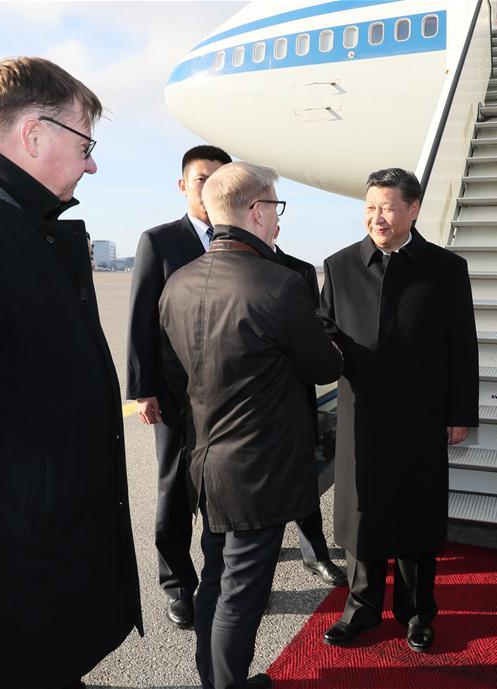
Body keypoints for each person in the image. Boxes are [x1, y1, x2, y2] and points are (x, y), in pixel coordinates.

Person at [0, 56, 141, 688]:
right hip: (3, 587)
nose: (91, 166)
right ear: (34, 135)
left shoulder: (17, 229)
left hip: (36, 566)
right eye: (85, 145)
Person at [159, 162, 343, 689]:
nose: (278, 220)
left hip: (204, 462)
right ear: (257, 212)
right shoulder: (278, 284)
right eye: (275, 207)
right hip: (259, 471)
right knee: (241, 595)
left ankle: (215, 679)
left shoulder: (178, 283)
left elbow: (175, 378)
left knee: (216, 581)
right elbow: (323, 366)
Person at [319, 168, 479, 652]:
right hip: (361, 415)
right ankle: (361, 608)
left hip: (421, 415)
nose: (377, 217)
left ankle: (416, 613)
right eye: (370, 207)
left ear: (413, 209)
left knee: (416, 514)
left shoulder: (446, 269)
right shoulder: (340, 266)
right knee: (362, 513)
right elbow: (325, 330)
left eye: (387, 207)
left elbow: (462, 346)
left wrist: (458, 413)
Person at [126, 144, 232, 628]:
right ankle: (177, 584)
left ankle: (219, 578)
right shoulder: (160, 241)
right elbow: (140, 320)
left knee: (221, 489)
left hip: (228, 396)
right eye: (201, 179)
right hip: (173, 393)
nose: (209, 189)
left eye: (219, 180)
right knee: (174, 490)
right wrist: (143, 388)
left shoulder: (241, 240)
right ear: (183, 184)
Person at [271, 224, 347, 587]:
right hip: (252, 400)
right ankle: (260, 559)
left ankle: (315, 554)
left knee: (304, 477)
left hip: (296, 390)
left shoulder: (299, 271)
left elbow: (317, 328)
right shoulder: (232, 269)